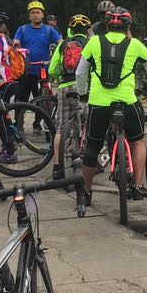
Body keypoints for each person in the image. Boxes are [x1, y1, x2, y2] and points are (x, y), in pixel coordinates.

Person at [76, 7, 147, 202]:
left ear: (106, 24)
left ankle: (86, 192)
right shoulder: (135, 44)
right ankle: (137, 186)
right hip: (127, 100)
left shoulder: (94, 42)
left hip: (99, 102)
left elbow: (80, 73)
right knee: (137, 141)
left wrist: (82, 94)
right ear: (128, 26)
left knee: (92, 146)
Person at [48, 14, 91, 180]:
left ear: (71, 30)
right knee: (89, 123)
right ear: (88, 30)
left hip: (65, 86)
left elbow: (52, 70)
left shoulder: (63, 44)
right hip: (86, 86)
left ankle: (57, 168)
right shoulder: (91, 43)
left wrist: (60, 79)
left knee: (61, 128)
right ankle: (89, 160)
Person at [12, 0, 62, 104]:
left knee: (43, 101)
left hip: (43, 70)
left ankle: (43, 118)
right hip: (26, 70)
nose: (35, 15)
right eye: (33, 13)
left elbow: (61, 43)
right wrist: (16, 46)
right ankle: (18, 120)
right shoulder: (23, 29)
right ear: (29, 16)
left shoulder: (49, 30)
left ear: (42, 14)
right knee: (21, 99)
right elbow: (16, 42)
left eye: (38, 12)